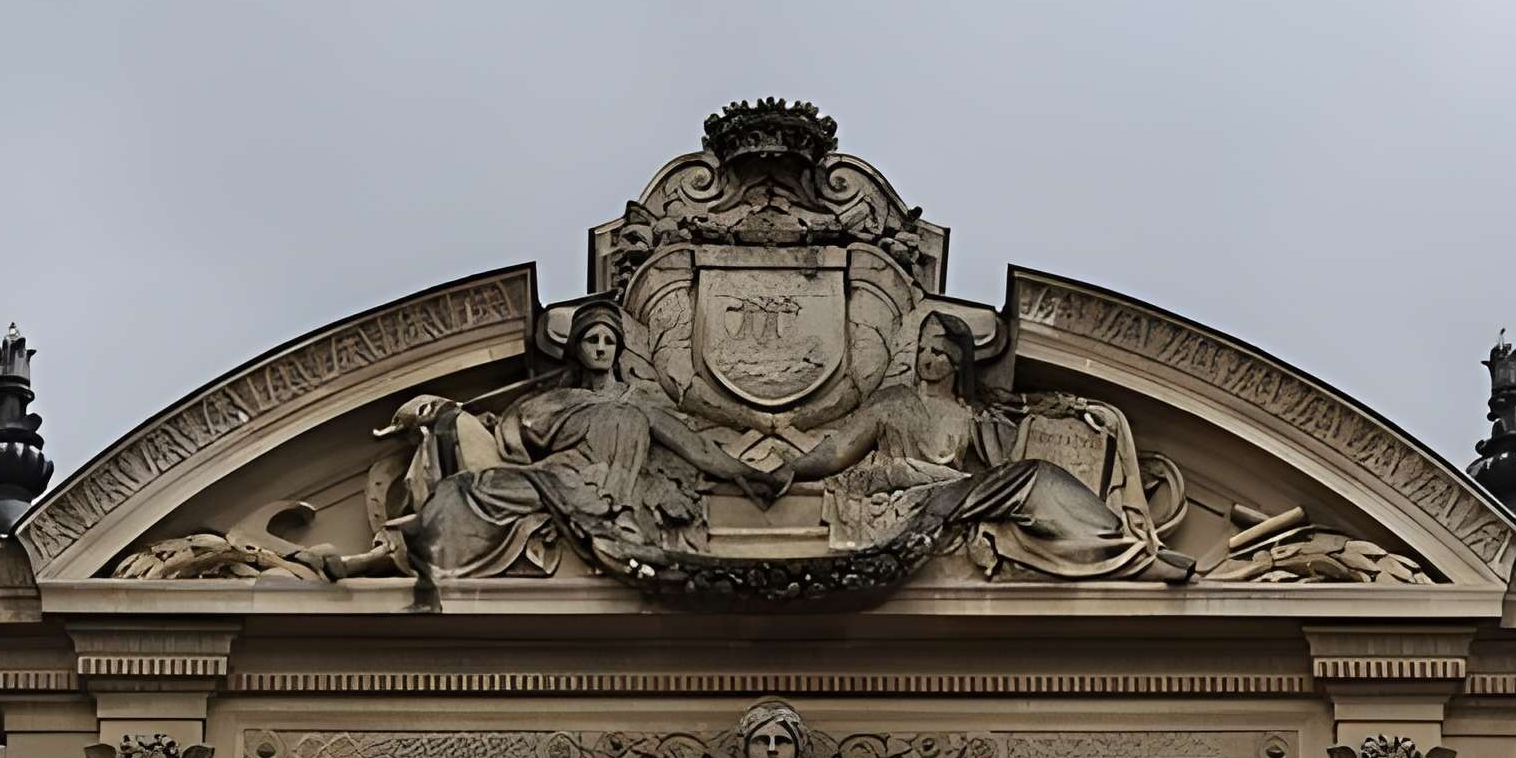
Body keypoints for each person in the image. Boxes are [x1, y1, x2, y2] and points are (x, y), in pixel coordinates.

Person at [771, 312, 1191, 582]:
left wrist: (1082, 413)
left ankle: (1119, 549)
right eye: (922, 349)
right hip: (921, 494)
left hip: (958, 492)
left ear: (957, 360)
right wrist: (793, 468)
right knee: (1034, 477)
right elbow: (839, 450)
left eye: (937, 350)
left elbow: (1023, 427)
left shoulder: (971, 413)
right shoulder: (893, 402)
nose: (926, 358)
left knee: (1037, 480)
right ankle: (1130, 557)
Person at [397, 304, 780, 585]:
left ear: (618, 350)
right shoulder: (558, 400)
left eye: (608, 340)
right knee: (462, 488)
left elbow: (696, 449)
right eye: (591, 340)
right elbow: (515, 440)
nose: (600, 348)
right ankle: (409, 555)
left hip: (599, 493)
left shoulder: (637, 403)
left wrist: (749, 474)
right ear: (577, 349)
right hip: (552, 479)